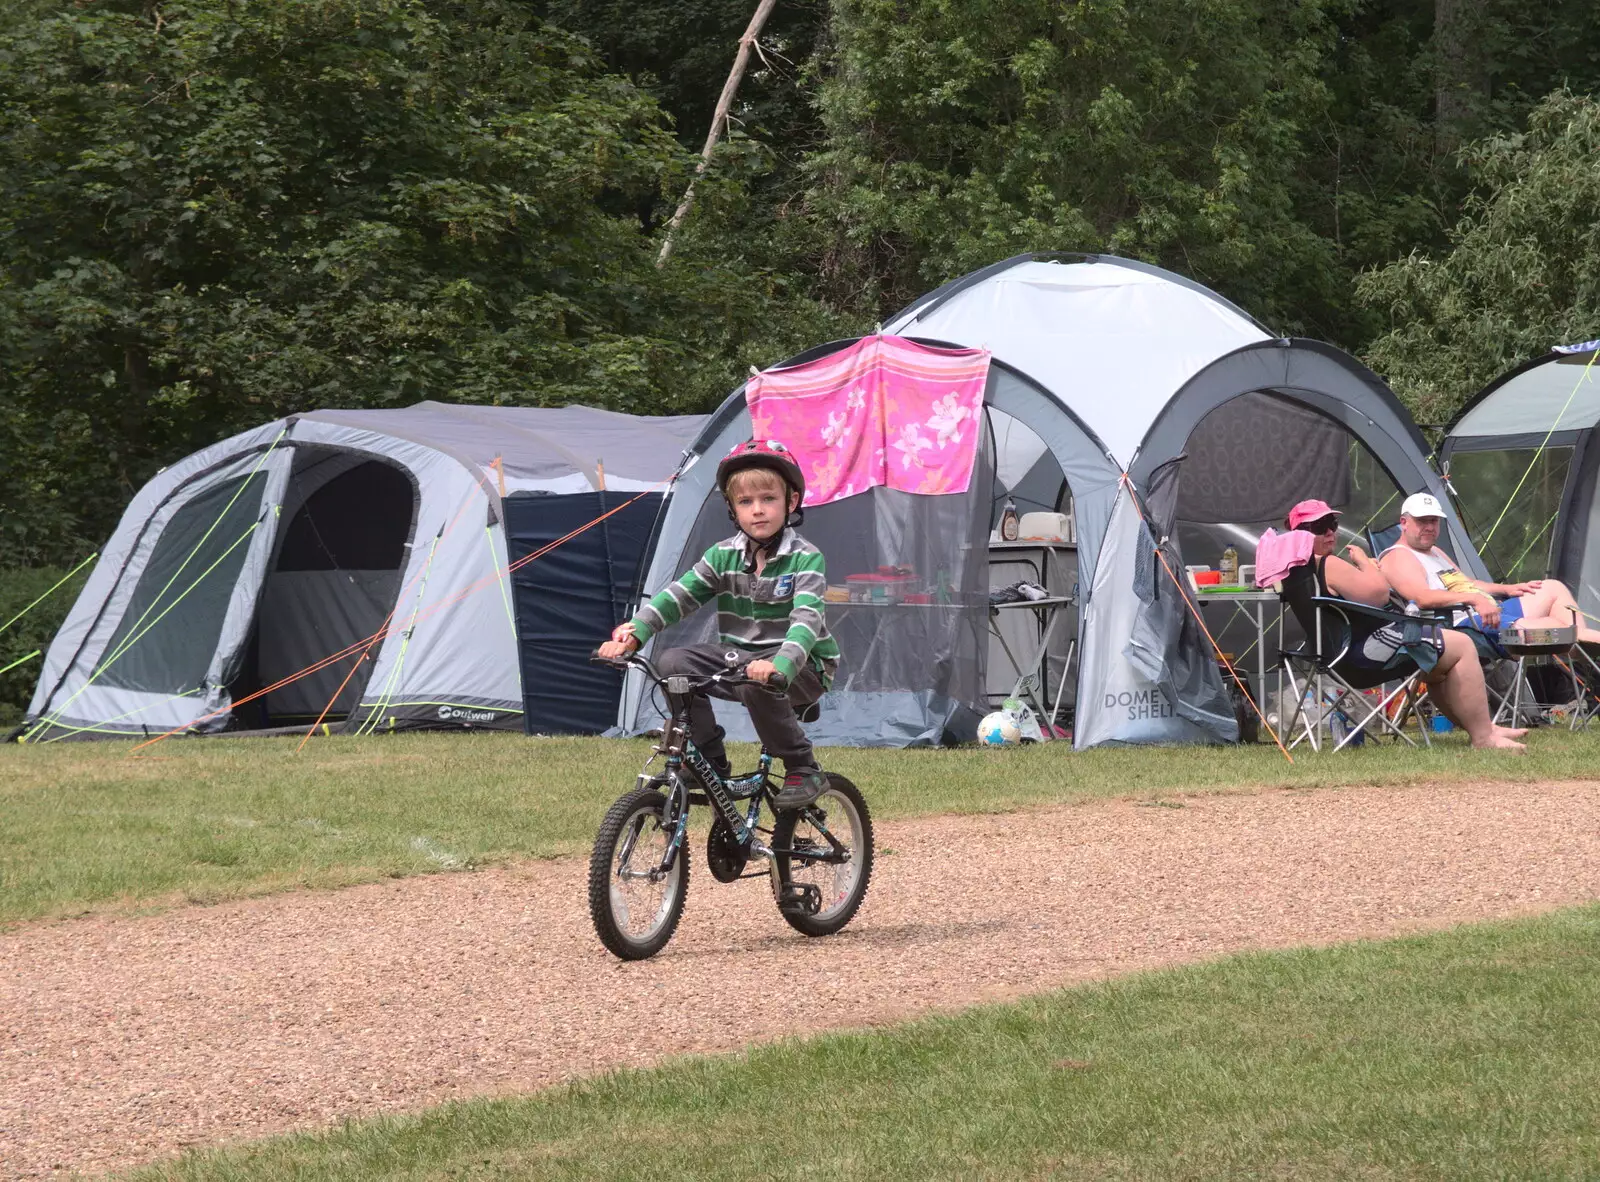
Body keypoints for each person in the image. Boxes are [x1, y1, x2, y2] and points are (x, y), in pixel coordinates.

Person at [598, 439, 841, 809]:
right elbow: (680, 595)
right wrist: (636, 632)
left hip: (803, 666)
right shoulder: (723, 555)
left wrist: (780, 665)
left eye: (768, 499)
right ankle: (709, 758)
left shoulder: (805, 558)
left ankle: (802, 766)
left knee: (757, 684)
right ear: (732, 509)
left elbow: (806, 621)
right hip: (742, 661)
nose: (757, 510)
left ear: (790, 502)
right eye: (745, 502)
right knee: (672, 665)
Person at [1278, 499, 1525, 751]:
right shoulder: (1327, 563)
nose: (1330, 532)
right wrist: (1365, 562)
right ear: (1299, 534)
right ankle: (1483, 738)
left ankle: (1484, 728)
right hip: (1360, 657)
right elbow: (1379, 594)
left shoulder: (1295, 570)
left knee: (1438, 667)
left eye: (1332, 523)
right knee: (1460, 644)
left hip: (1332, 658)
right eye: (1319, 526)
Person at [1377, 492, 1600, 647]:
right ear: (1404, 523)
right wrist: (1475, 599)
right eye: (1422, 521)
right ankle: (1583, 644)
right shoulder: (1397, 556)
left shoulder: (1435, 551)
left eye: (1433, 521)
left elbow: (1468, 583)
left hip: (1488, 611)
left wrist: (1509, 588)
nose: (1429, 527)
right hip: (1460, 624)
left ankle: (1583, 642)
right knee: (1562, 631)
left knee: (1551, 588)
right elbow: (1423, 598)